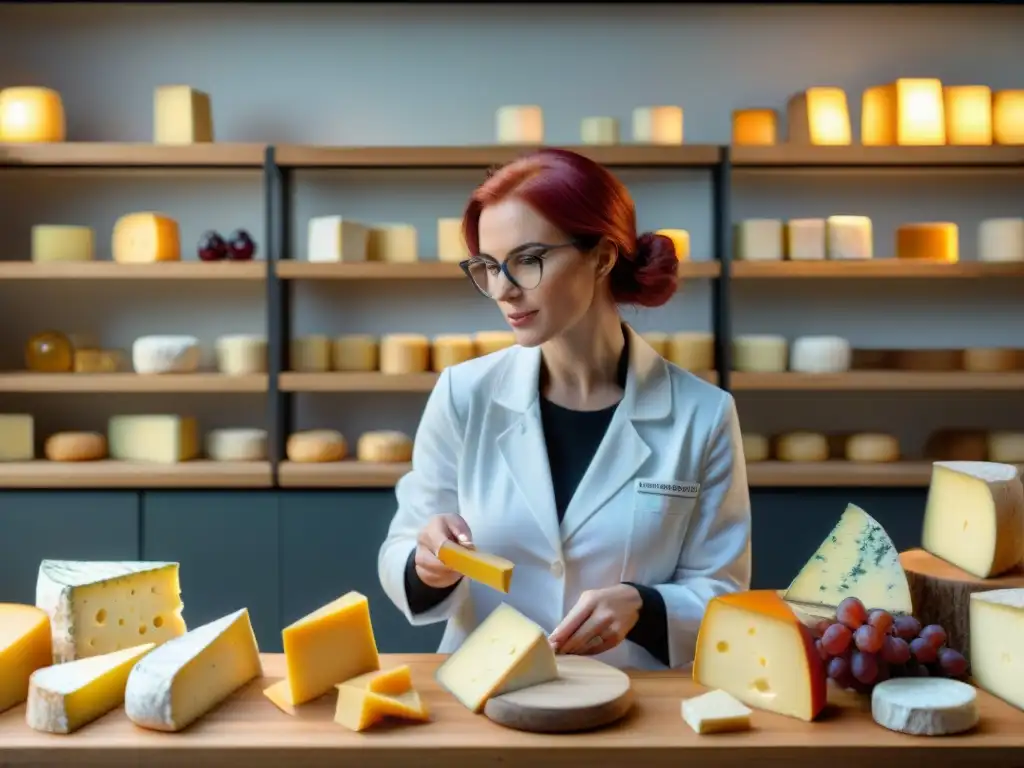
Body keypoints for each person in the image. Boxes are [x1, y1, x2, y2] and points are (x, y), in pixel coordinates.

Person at [377, 148, 751, 670]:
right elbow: (403, 546)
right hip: (484, 696)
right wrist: (426, 564)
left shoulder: (703, 415)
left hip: (630, 706)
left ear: (602, 256)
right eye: (488, 266)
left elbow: (722, 591)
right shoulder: (464, 394)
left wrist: (645, 606)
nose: (503, 290)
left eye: (528, 260)